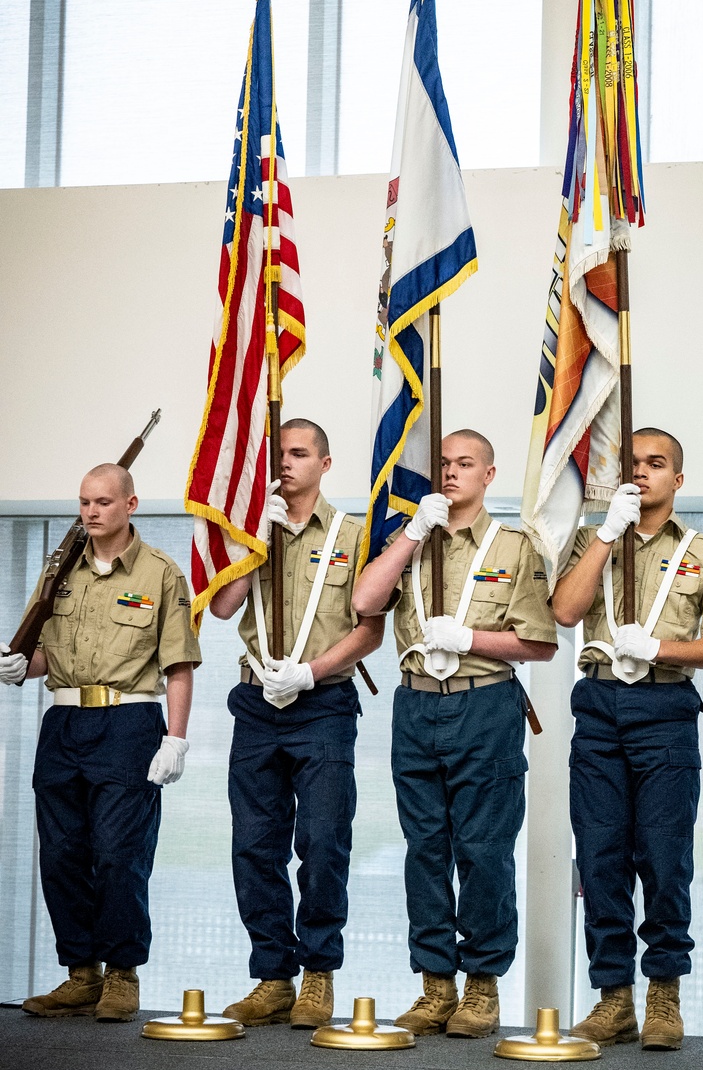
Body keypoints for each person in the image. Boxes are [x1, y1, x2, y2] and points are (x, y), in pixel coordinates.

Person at [552, 428, 703, 1050]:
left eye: (656, 464)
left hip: (664, 707)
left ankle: (663, 994)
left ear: (678, 479)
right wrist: (609, 532)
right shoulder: (592, 540)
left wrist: (662, 648)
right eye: (632, 464)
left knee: (664, 860)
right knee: (600, 858)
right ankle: (613, 997)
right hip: (597, 709)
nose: (642, 473)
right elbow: (565, 611)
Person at [352, 429, 557, 1037]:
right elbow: (365, 600)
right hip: (415, 707)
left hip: (483, 704)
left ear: (488, 475)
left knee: (483, 848)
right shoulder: (404, 539)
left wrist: (469, 639)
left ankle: (482, 986)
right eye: (442, 463)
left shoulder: (512, 547)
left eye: (465, 464)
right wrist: (414, 533)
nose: (451, 473)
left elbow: (541, 643)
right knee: (425, 849)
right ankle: (435, 983)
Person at [0, 464, 200, 1022]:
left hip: (129, 722)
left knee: (118, 854)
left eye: (104, 502)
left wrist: (176, 739)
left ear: (130, 505)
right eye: (85, 502)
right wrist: (17, 665)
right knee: (63, 853)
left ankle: (121, 974)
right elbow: (42, 657)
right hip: (63, 725)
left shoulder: (160, 573)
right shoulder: (59, 571)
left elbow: (179, 664)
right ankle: (80, 974)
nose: (91, 512)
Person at [209, 418, 384, 1029]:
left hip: (322, 703)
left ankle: (318, 975)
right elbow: (224, 608)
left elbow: (371, 627)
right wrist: (251, 546)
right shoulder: (251, 531)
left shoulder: (353, 534)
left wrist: (311, 673)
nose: (286, 463)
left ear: (324, 463)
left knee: (322, 841)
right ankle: (272, 977)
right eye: (278, 454)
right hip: (257, 705)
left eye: (300, 453)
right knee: (255, 846)